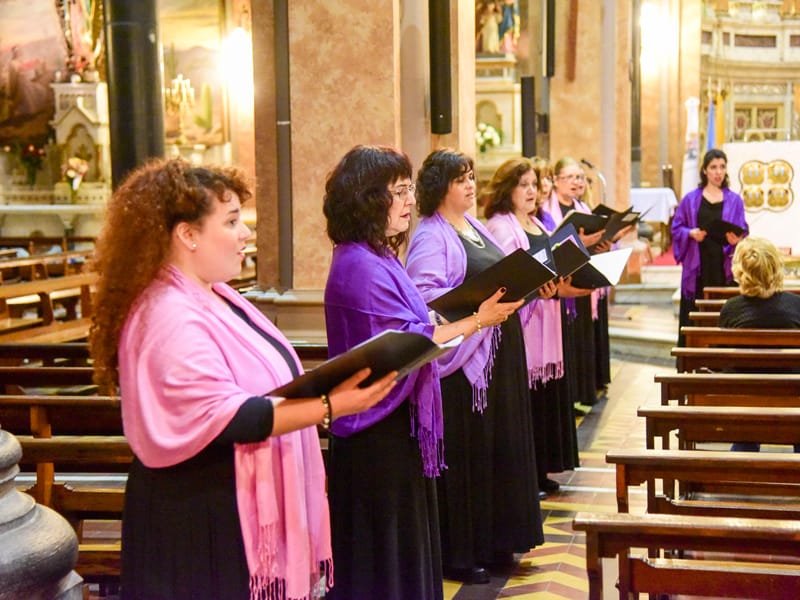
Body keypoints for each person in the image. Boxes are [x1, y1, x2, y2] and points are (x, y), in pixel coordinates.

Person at [89, 158, 396, 600]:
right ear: (188, 234)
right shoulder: (168, 313)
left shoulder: (215, 295)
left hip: (223, 499)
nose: (247, 233)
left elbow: (266, 380)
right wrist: (331, 407)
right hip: (198, 515)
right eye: (232, 221)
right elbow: (227, 415)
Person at [322, 145, 518, 599]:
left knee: (404, 546)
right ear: (369, 198)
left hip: (395, 423)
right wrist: (477, 320)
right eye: (400, 191)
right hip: (376, 430)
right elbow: (406, 341)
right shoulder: (360, 266)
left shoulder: (378, 256)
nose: (410, 201)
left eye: (410, 190)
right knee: (384, 557)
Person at [407, 148, 542, 584]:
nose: (470, 184)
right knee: (470, 457)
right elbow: (427, 302)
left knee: (497, 451)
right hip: (465, 363)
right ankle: (462, 552)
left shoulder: (474, 226)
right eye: (460, 178)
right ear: (439, 187)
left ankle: (497, 541)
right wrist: (478, 312)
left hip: (496, 351)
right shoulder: (431, 234)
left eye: (471, 177)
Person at [483, 157, 582, 495]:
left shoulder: (536, 222)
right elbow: (507, 280)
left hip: (546, 319)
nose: (531, 191)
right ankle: (527, 478)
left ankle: (540, 471)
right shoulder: (500, 225)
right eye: (522, 185)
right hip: (523, 325)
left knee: (542, 401)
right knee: (527, 400)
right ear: (506, 189)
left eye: (533, 184)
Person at [720, 236, 800, 452]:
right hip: (793, 394)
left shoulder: (731, 309)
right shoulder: (796, 305)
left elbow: (720, 359)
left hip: (743, 396)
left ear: (739, 270)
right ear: (776, 268)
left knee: (747, 423)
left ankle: (743, 455)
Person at [672, 148, 748, 346]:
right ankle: (693, 356)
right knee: (697, 313)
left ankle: (722, 358)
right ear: (705, 170)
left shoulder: (735, 200)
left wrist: (737, 240)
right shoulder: (691, 199)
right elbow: (677, 228)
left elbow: (743, 232)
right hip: (698, 266)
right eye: (713, 167)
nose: (718, 172)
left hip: (724, 266)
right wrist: (691, 233)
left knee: (723, 312)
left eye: (722, 167)